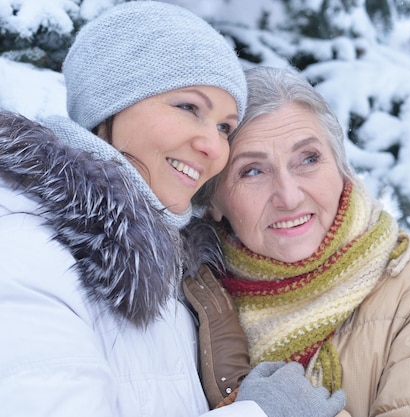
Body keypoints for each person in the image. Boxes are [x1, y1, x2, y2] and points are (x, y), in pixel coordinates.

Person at [0, 3, 344, 417]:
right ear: (109, 104)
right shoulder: (23, 249)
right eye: (188, 108)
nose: (214, 147)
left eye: (224, 127)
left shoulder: (178, 274)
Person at [194, 65, 410, 416]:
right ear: (214, 200)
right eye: (252, 170)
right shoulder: (184, 300)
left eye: (308, 159)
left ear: (341, 168)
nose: (289, 196)